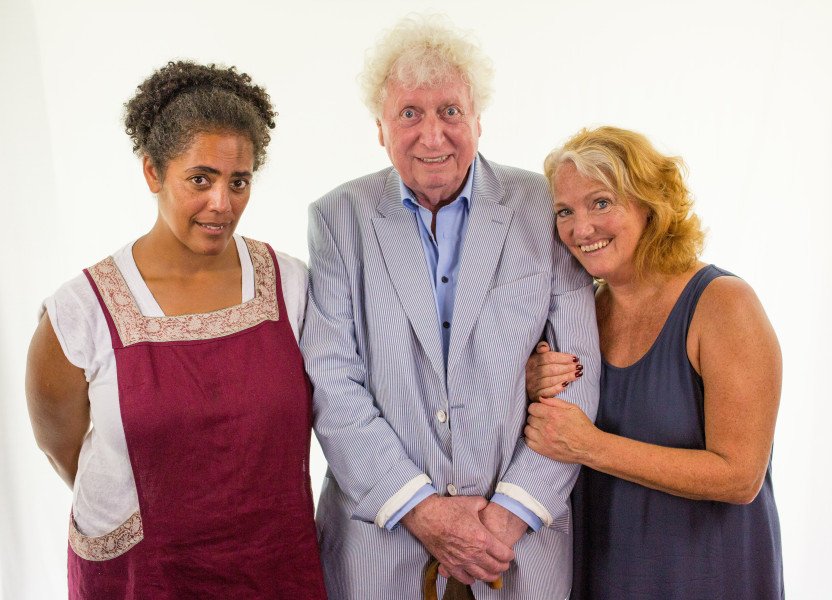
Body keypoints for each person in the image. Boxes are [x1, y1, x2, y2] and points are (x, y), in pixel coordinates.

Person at [300, 14, 600, 600]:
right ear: (380, 128)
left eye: (450, 112)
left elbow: (579, 372)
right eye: (410, 113)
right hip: (381, 536)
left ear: (479, 121)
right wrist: (427, 514)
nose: (432, 135)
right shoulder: (336, 218)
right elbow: (333, 382)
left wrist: (504, 519)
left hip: (517, 541)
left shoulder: (544, 207)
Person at [25, 61, 327, 599]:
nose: (222, 203)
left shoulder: (291, 285)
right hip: (144, 576)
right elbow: (58, 445)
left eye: (239, 181)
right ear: (152, 173)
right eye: (200, 179)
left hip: (273, 567)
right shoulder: (81, 310)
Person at [525, 126, 784, 598]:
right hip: (602, 577)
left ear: (650, 204)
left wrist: (591, 445)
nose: (581, 229)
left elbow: (740, 475)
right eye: (565, 211)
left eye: (601, 202)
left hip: (708, 580)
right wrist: (526, 385)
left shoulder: (724, 303)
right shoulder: (579, 311)